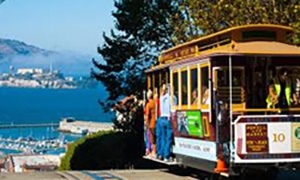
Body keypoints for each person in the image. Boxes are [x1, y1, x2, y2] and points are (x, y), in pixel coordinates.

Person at [156, 84, 173, 161]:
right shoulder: (172, 98)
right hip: (168, 118)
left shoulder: (161, 98)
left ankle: (160, 153)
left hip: (162, 118)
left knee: (163, 137)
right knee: (169, 138)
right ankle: (166, 156)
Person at [145, 89, 157, 157]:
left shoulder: (149, 104)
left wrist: (146, 124)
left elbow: (147, 115)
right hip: (156, 121)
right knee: (156, 137)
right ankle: (154, 151)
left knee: (152, 138)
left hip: (151, 123)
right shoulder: (155, 103)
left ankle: (153, 152)